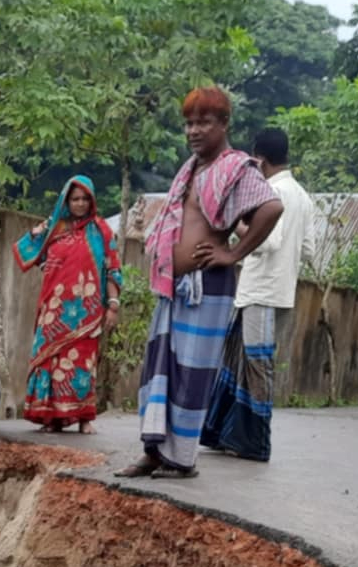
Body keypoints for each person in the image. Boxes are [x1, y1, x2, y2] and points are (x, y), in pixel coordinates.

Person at [117, 86, 283, 478]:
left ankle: (182, 458)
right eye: (189, 123)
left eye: (204, 122)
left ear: (224, 124)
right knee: (160, 368)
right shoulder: (190, 170)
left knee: (192, 373)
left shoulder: (236, 167)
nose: (194, 131)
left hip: (206, 286)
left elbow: (272, 208)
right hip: (173, 287)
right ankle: (153, 451)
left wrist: (233, 253)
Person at [204, 127, 319, 462]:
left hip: (260, 293)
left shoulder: (268, 193)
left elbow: (267, 242)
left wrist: (239, 225)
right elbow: (309, 250)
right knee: (244, 362)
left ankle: (255, 442)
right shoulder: (303, 196)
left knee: (256, 366)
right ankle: (230, 435)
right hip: (282, 293)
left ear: (260, 158)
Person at [13, 175, 123, 434]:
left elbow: (113, 269)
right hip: (55, 309)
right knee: (49, 361)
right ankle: (51, 417)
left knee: (82, 363)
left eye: (85, 199)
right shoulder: (54, 227)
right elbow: (25, 249)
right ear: (66, 200)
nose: (81, 204)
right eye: (75, 199)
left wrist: (113, 305)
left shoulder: (101, 230)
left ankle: (84, 418)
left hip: (87, 311)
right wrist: (47, 264)